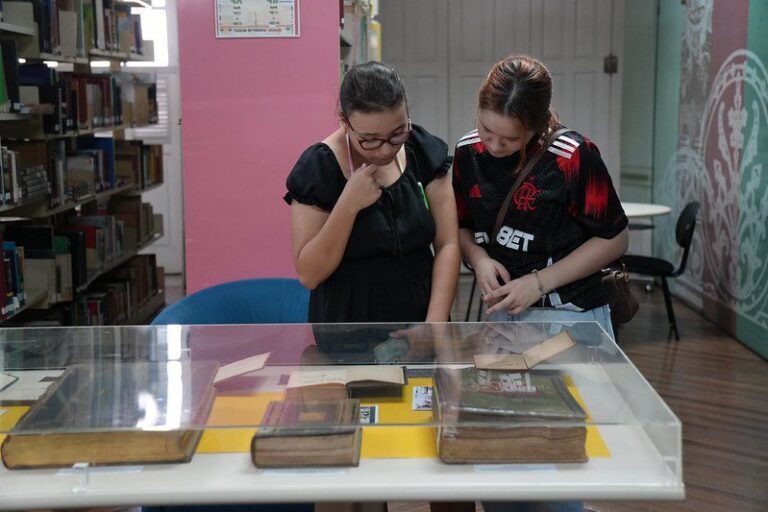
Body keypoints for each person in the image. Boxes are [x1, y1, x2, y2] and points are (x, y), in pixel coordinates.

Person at [451, 55, 629, 512]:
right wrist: (479, 257)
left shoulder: (572, 157)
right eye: (486, 131)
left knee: (558, 455)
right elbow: (460, 226)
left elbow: (614, 237)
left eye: (509, 138)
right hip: (504, 323)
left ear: (537, 125)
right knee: (501, 451)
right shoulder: (468, 154)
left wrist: (539, 281)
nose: (493, 145)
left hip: (570, 319)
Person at [285, 61, 460, 326]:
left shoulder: (422, 150)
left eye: (397, 133)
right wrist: (348, 204)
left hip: (420, 321)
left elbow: (447, 244)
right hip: (348, 329)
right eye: (370, 139)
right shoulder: (319, 168)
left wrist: (433, 327)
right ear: (345, 122)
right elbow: (310, 274)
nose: (385, 150)